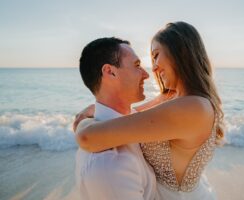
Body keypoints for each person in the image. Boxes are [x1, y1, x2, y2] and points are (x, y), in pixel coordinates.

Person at [75, 22, 225, 200]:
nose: (152, 68)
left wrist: (83, 121)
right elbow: (131, 115)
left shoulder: (193, 108)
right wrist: (95, 108)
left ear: (180, 53)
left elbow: (87, 137)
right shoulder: (174, 97)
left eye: (156, 55)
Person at [75, 37, 158, 200]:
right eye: (137, 65)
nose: (146, 74)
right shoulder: (109, 166)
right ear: (110, 72)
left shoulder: (129, 121)